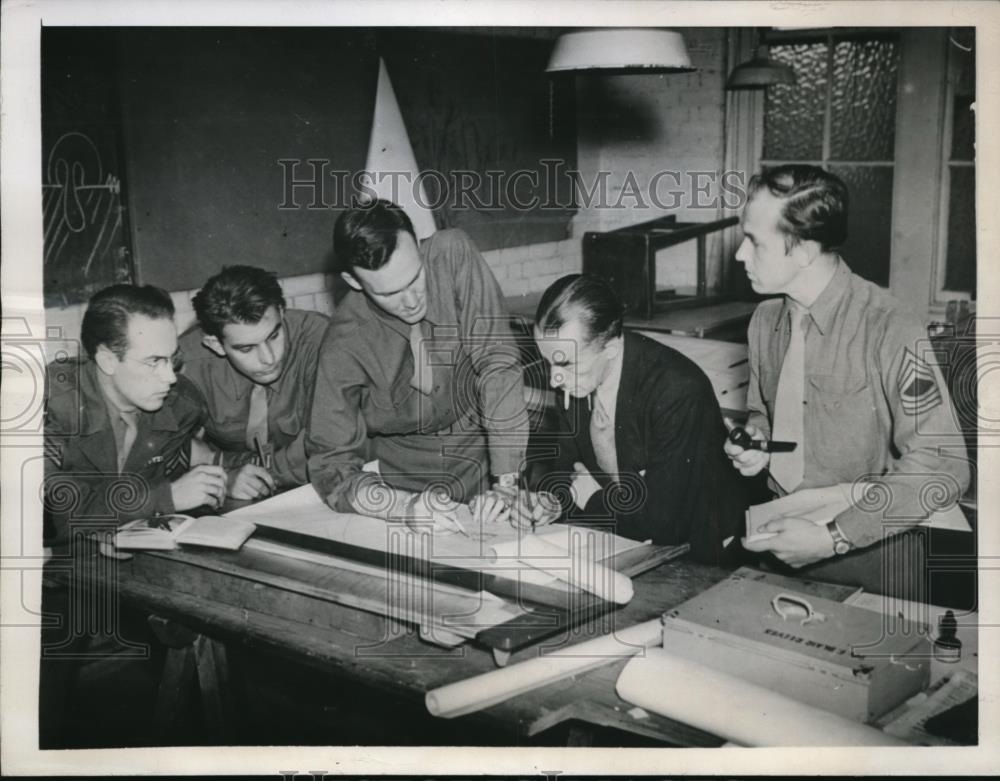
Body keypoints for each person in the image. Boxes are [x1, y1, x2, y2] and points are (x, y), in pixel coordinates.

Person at [725, 164, 970, 596]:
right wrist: (755, 443)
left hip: (867, 555)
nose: (740, 255)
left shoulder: (888, 326)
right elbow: (763, 413)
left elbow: (943, 467)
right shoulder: (765, 321)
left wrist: (834, 536)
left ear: (802, 250)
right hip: (779, 539)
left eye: (754, 242)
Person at [306, 200, 554, 531]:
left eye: (415, 277)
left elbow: (497, 362)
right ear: (353, 281)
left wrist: (507, 484)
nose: (412, 301)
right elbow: (331, 465)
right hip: (402, 486)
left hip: (481, 463)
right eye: (390, 293)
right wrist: (400, 507)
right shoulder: (343, 344)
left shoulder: (452, 253)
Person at [531, 274, 744, 563]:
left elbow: (666, 523)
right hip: (624, 537)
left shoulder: (676, 389)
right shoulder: (576, 380)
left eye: (565, 363)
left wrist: (590, 498)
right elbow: (566, 472)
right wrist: (552, 502)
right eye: (548, 362)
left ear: (612, 348)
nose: (555, 379)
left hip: (701, 552)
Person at [43, 284, 226, 546]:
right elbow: (42, 518)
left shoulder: (180, 406)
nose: (170, 377)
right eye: (153, 361)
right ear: (107, 360)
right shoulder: (49, 403)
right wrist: (165, 498)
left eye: (172, 359)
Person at [181, 265, 328, 499]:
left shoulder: (322, 340)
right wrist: (223, 478)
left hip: (309, 487)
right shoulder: (188, 362)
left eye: (274, 336)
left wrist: (239, 470)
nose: (269, 358)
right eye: (246, 348)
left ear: (281, 312)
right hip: (230, 496)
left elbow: (327, 441)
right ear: (216, 344)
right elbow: (166, 446)